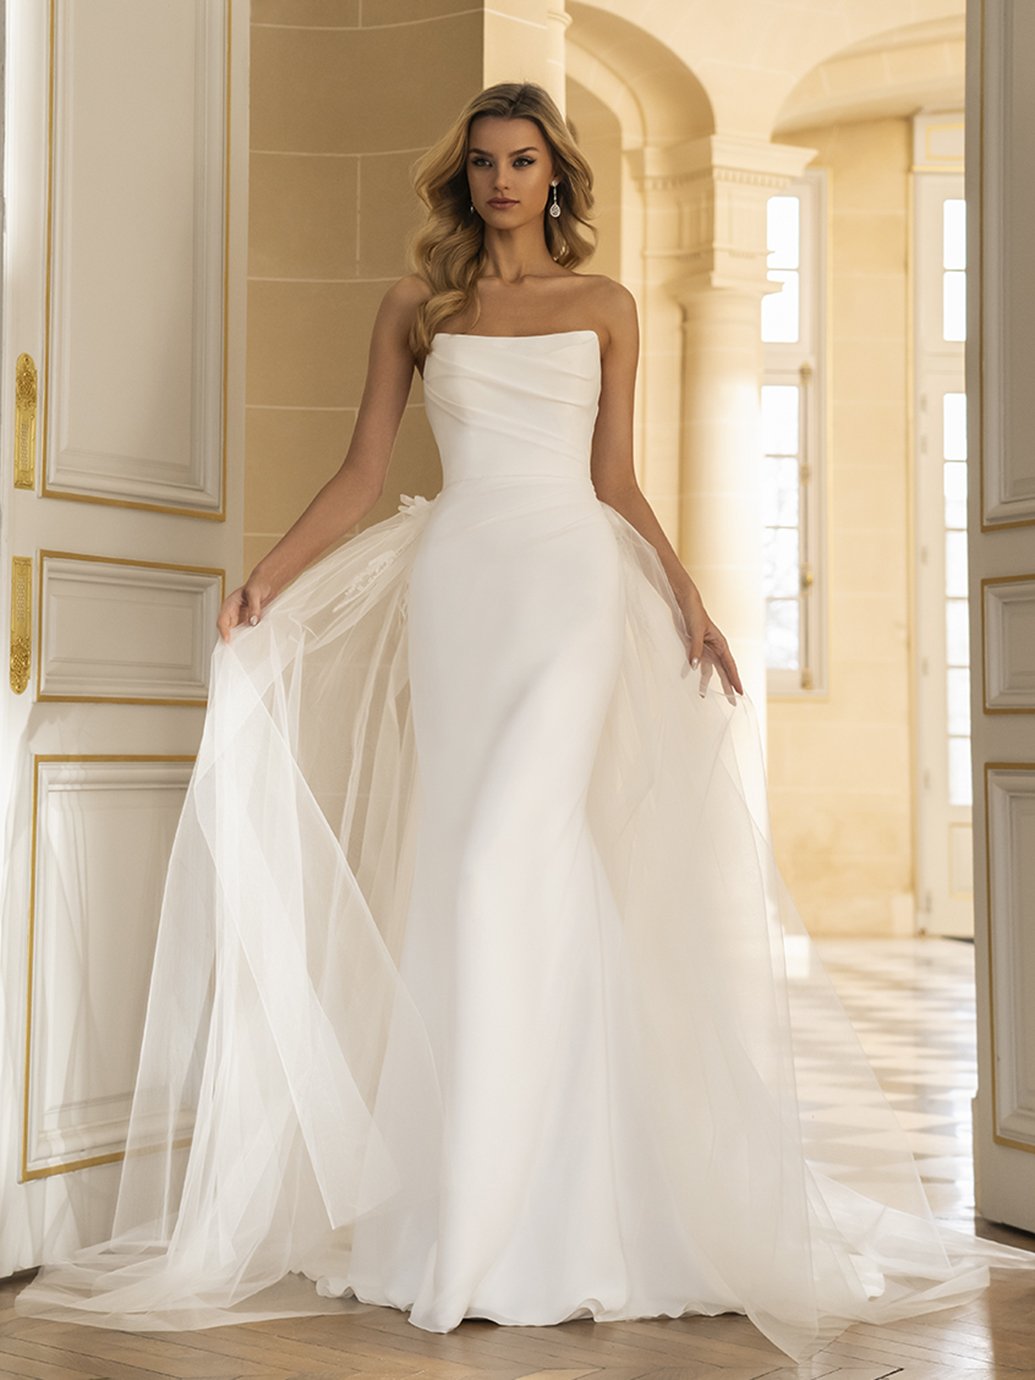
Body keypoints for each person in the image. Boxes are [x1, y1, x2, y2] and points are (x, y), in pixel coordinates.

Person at [15, 81, 1035, 1364]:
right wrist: (265, 581)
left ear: (557, 178)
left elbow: (613, 478)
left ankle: (535, 1212)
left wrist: (687, 597)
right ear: (467, 178)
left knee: (513, 854)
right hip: (461, 597)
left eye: (526, 161)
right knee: (469, 876)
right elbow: (362, 472)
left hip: (565, 594)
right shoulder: (419, 306)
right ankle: (483, 1210)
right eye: (486, 162)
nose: (503, 181)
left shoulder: (604, 308)